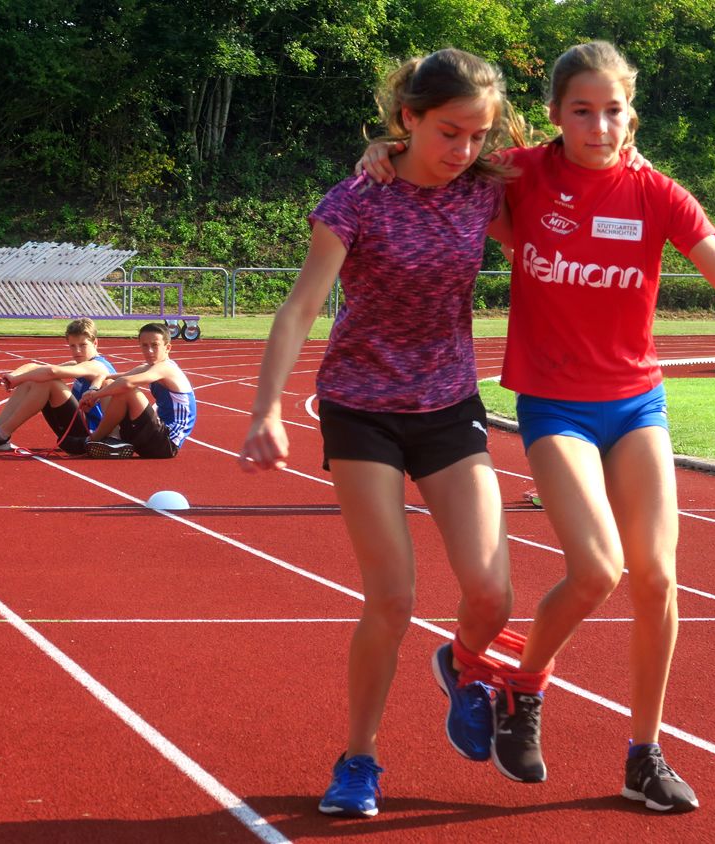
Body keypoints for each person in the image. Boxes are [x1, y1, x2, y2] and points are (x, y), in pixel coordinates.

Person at [358, 40, 715, 813]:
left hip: (635, 402)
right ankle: (523, 685)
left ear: (633, 116)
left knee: (657, 577)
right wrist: (382, 151)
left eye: (613, 111)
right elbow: (439, 161)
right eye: (583, 112)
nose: (600, 127)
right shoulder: (522, 176)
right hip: (554, 403)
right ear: (556, 116)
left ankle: (643, 754)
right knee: (598, 570)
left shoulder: (659, 194)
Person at [238, 48, 525, 819]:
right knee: (392, 597)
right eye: (449, 132)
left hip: (448, 402)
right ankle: (358, 758)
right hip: (361, 406)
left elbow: (573, 181)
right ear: (408, 118)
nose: (463, 149)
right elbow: (302, 307)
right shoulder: (357, 197)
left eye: (478, 135)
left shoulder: (485, 189)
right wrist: (266, 409)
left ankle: (462, 665)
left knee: (492, 593)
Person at [0, 317, 116, 454]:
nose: (77, 351)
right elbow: (35, 367)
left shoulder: (97, 366)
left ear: (95, 343)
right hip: (78, 428)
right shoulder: (79, 364)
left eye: (83, 345)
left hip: (93, 435)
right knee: (35, 378)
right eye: (72, 346)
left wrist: (18, 379)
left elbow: (51, 372)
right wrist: (15, 376)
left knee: (47, 381)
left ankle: (1, 434)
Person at [78, 322, 196, 459]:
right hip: (152, 436)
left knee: (127, 390)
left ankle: (92, 440)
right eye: (145, 345)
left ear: (167, 348)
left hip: (167, 443)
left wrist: (95, 396)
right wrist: (93, 389)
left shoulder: (167, 368)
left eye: (155, 345)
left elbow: (127, 383)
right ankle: (114, 439)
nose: (149, 351)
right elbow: (105, 377)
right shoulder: (149, 367)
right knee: (110, 384)